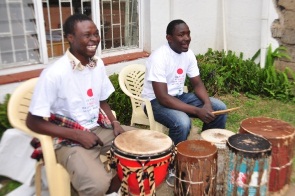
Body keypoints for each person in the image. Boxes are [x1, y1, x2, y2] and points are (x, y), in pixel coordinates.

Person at [26, 14, 125, 196]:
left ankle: (112, 188)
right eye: (87, 35)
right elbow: (33, 122)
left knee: (143, 149)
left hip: (98, 128)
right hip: (68, 137)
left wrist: (115, 123)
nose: (94, 39)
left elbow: (102, 100)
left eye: (96, 34)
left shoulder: (98, 64)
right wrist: (78, 134)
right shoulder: (54, 73)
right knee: (96, 185)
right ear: (70, 38)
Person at [141, 19, 227, 187]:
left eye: (188, 33)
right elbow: (163, 98)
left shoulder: (188, 54)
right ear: (169, 38)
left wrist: (207, 104)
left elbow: (198, 84)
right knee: (182, 122)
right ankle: (172, 166)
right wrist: (197, 111)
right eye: (181, 34)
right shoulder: (159, 57)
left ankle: (203, 154)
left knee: (219, 108)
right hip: (154, 102)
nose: (187, 38)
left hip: (179, 96)